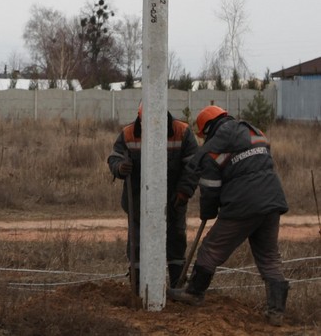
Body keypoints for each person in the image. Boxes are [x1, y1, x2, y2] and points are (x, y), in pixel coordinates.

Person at [168, 105, 289, 327]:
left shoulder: (215, 144)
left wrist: (208, 212)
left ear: (207, 128)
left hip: (243, 205)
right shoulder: (254, 131)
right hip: (272, 201)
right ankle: (276, 312)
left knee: (211, 248)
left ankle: (194, 292)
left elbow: (210, 184)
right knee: (269, 257)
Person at [107, 104, 198, 287]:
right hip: (139, 201)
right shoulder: (128, 134)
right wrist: (120, 167)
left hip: (174, 200)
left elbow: (193, 166)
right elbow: (114, 157)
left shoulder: (182, 132)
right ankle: (138, 284)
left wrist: (184, 191)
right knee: (137, 243)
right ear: (140, 118)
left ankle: (177, 284)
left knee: (176, 240)